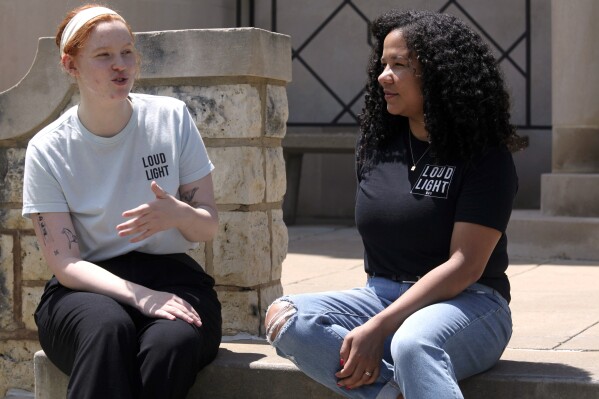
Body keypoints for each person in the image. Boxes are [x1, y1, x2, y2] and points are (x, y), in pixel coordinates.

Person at [265, 9, 526, 399]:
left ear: (439, 75)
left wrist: (381, 326)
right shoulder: (376, 148)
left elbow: (466, 265)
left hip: (470, 304)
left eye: (399, 65)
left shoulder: (484, 154)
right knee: (285, 317)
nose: (383, 76)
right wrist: (381, 318)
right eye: (382, 63)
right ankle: (392, 394)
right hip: (380, 295)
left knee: (413, 343)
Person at [22, 4, 222, 399]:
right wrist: (141, 297)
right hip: (86, 288)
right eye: (103, 56)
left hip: (173, 277)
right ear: (70, 64)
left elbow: (208, 225)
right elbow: (66, 263)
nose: (121, 66)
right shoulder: (47, 148)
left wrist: (177, 214)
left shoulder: (172, 118)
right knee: (106, 329)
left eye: (127, 52)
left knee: (171, 344)